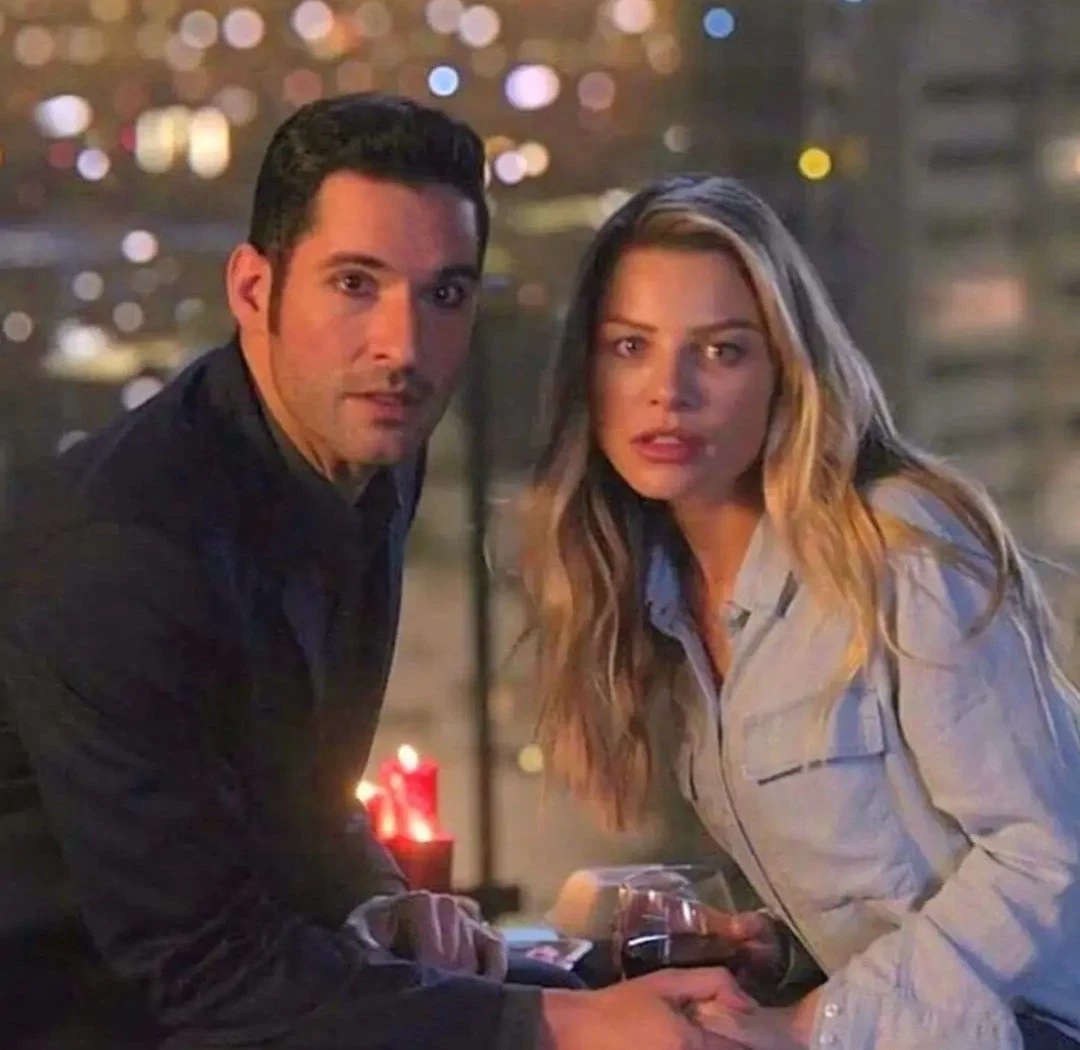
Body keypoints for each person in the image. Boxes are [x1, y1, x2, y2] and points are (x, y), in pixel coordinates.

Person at [0, 97, 746, 1050]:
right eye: (356, 284)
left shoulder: (368, 445)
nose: (404, 347)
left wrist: (377, 896)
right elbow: (203, 970)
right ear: (254, 290)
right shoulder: (124, 554)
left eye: (445, 294)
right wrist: (562, 1024)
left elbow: (291, 775)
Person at [517, 173, 1080, 1050]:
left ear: (786, 371)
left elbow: (1044, 852)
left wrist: (810, 1021)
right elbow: (896, 884)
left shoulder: (897, 545)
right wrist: (778, 949)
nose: (669, 390)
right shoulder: (668, 599)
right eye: (630, 346)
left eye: (721, 350)